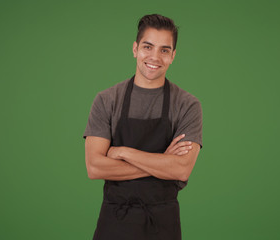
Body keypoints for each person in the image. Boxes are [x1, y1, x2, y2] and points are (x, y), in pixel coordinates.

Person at [83, 14, 203, 240]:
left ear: (173, 56)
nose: (155, 57)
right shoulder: (107, 100)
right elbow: (95, 168)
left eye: (164, 50)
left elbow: (181, 170)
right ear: (135, 49)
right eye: (148, 47)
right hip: (115, 220)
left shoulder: (187, 105)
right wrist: (162, 162)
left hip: (163, 223)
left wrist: (123, 152)